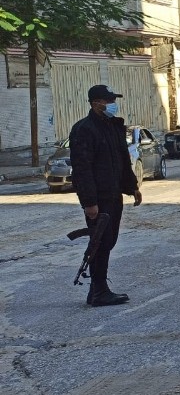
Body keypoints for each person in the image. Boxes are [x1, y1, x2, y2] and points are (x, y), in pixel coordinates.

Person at [69, 84, 142, 306]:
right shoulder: (84, 129)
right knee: (100, 242)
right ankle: (99, 291)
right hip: (98, 198)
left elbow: (122, 160)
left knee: (107, 241)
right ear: (96, 103)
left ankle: (97, 289)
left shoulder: (112, 126)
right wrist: (89, 202)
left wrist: (132, 187)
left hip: (113, 195)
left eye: (113, 100)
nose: (112, 104)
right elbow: (82, 169)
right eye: (108, 101)